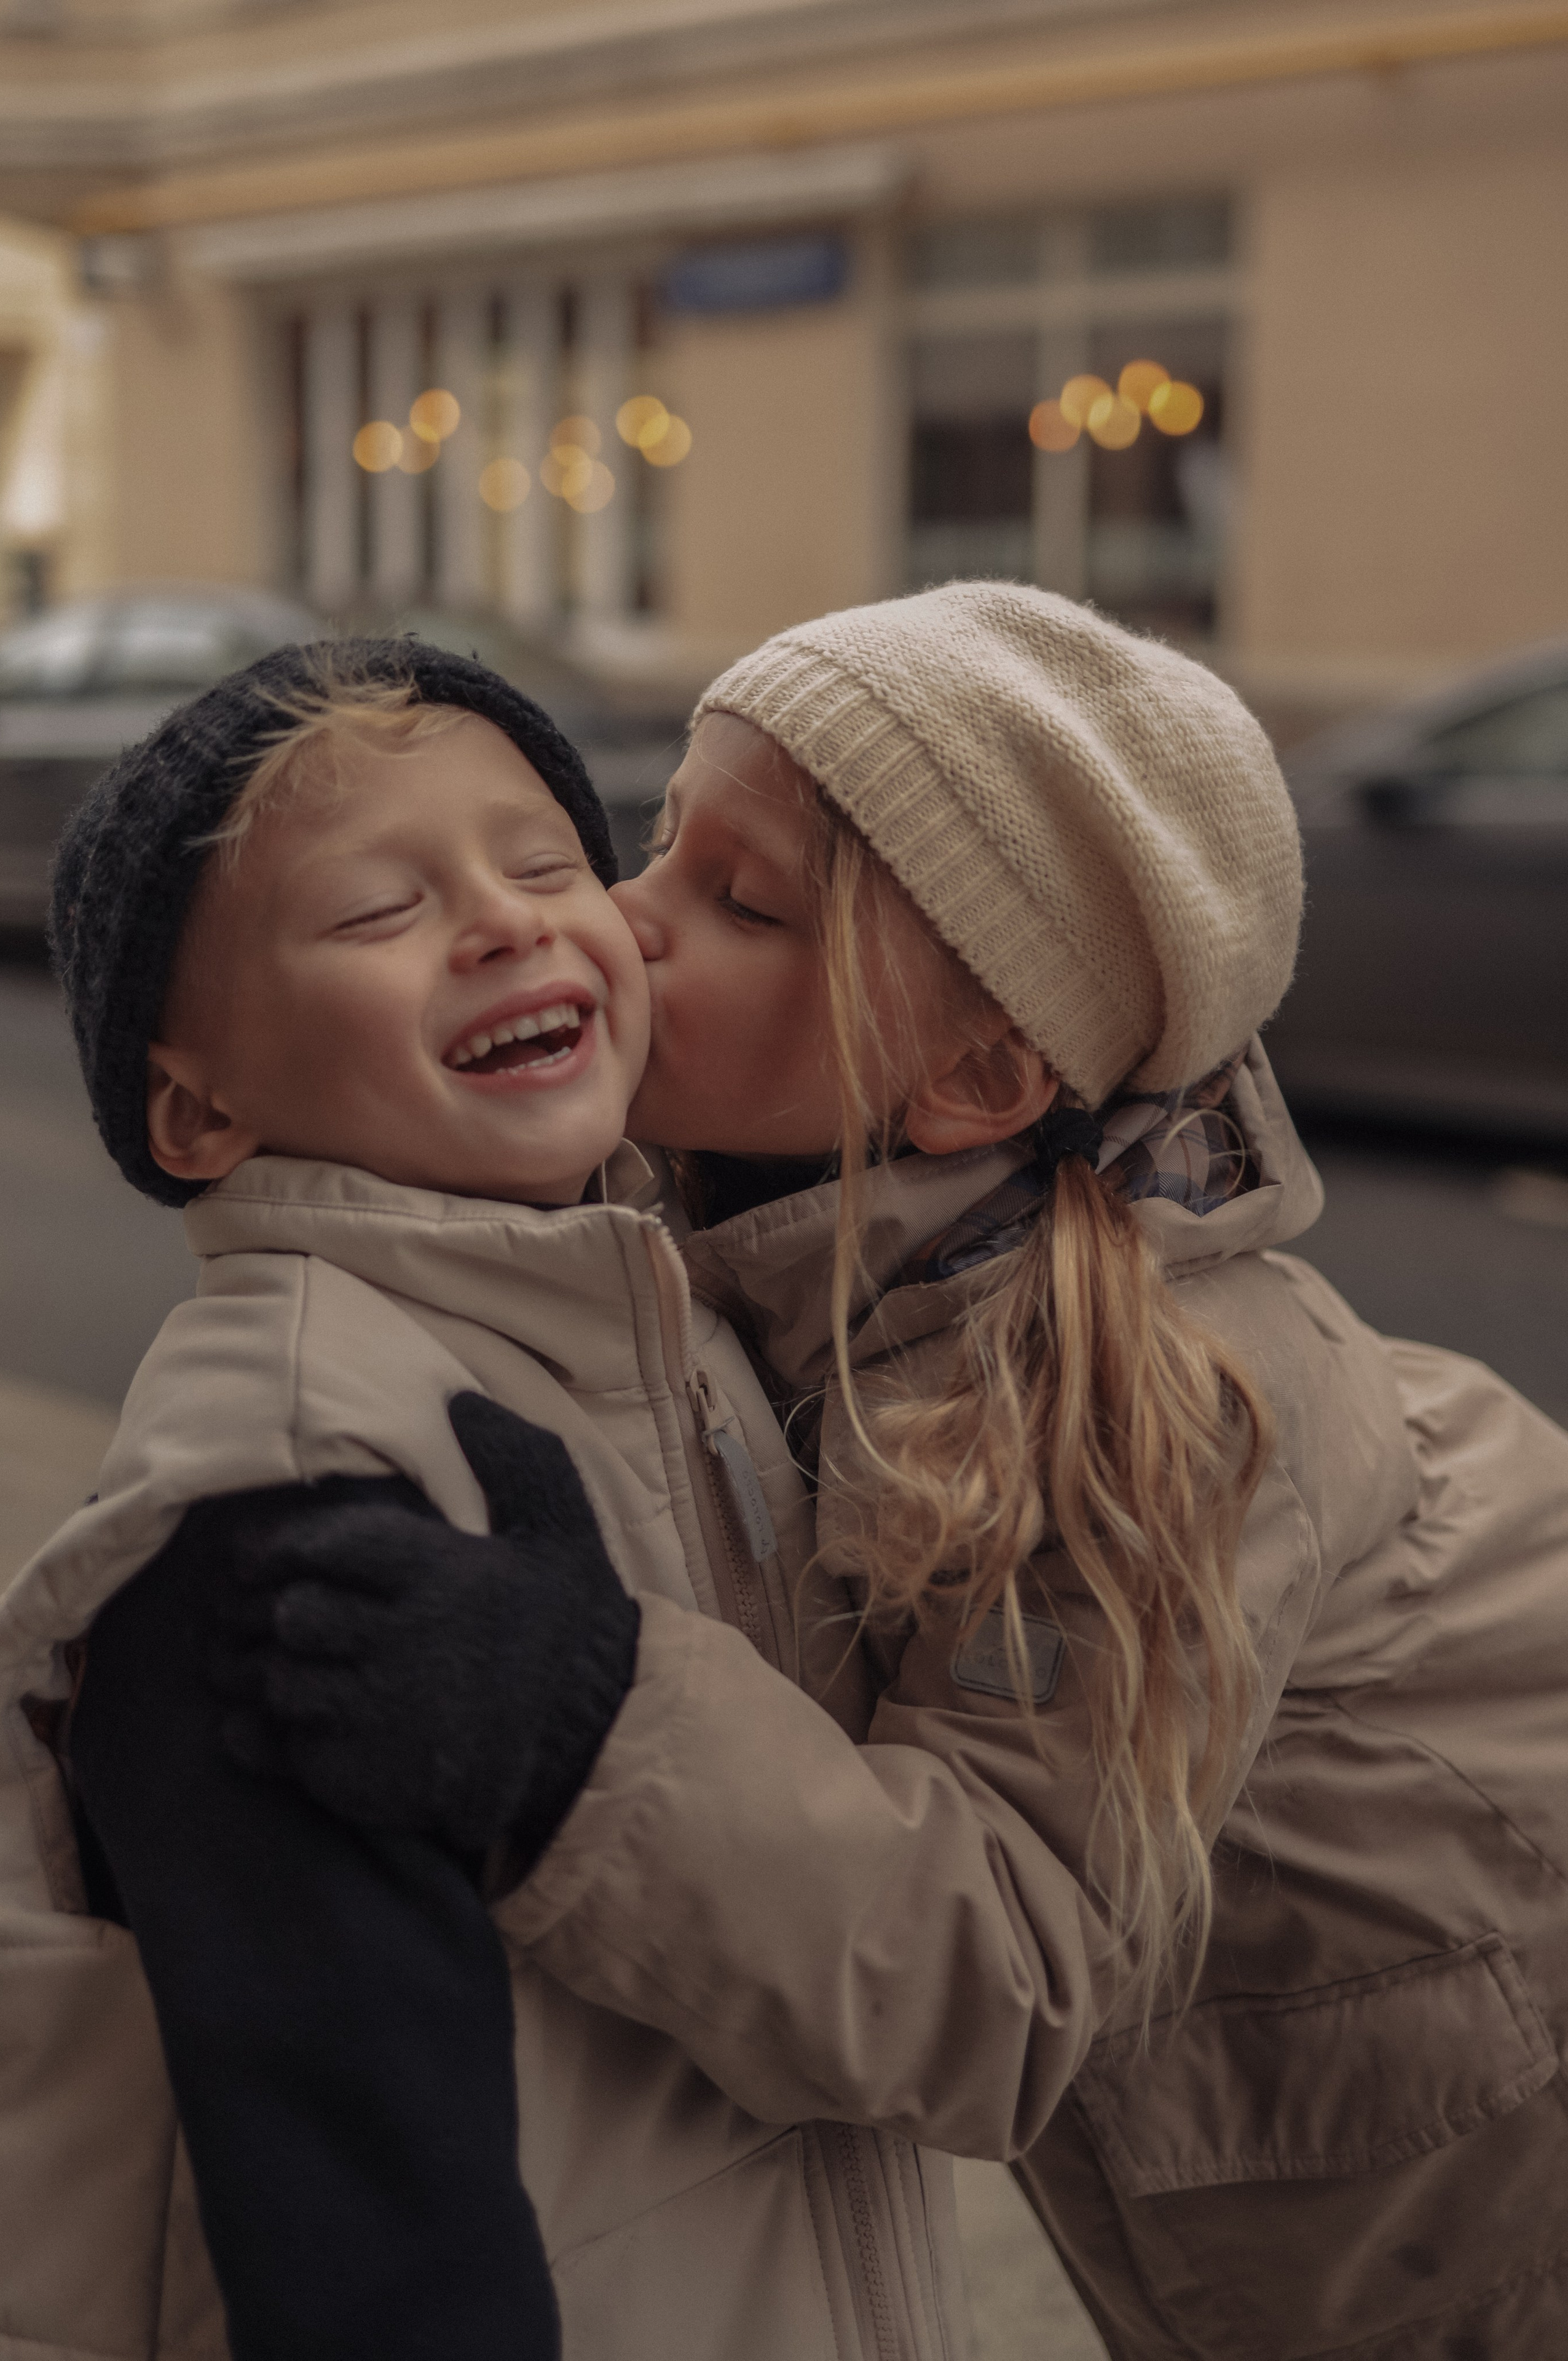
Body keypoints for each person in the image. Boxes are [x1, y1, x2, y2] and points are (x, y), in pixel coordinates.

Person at [235, 587, 1568, 2360]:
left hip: (1466, 2150)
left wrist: (584, 1726)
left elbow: (989, 1972)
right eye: (658, 850)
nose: (628, 923)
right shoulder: (797, 1205)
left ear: (975, 1079)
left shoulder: (1150, 1413)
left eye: (744, 902)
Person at [0, 636, 946, 2361]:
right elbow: (364, 2224)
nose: (509, 922)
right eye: (378, 911)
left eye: (543, 864)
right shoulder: (288, 1516)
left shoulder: (656, 1327)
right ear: (199, 1106)